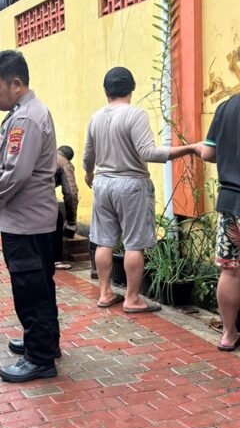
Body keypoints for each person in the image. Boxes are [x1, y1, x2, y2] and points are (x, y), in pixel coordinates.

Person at [83, 67, 201, 314]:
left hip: (103, 184)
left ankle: (105, 292)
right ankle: (132, 299)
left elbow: (87, 156)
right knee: (133, 243)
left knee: (104, 241)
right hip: (131, 184)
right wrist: (189, 148)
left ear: (106, 91)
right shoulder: (135, 115)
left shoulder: (95, 117)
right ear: (133, 86)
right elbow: (149, 153)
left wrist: (90, 173)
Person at [0, 50, 60, 383]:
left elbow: (17, 173)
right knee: (41, 287)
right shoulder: (25, 113)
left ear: (16, 84)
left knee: (30, 290)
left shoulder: (26, 118)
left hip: (25, 222)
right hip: (31, 220)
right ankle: (43, 343)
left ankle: (39, 357)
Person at [200, 93, 240, 351]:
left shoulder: (226, 107)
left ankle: (228, 334)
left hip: (231, 203)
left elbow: (207, 152)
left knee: (231, 269)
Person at [54, 145, 80, 270]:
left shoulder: (48, 155)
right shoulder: (64, 163)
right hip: (40, 195)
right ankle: (56, 260)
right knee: (56, 219)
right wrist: (71, 221)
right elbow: (70, 193)